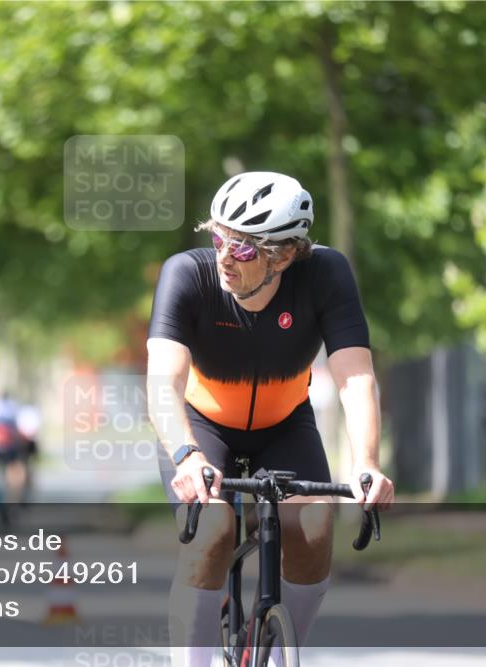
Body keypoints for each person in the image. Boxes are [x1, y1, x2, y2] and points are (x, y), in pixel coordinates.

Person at [147, 172, 395, 667]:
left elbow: (356, 380)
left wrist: (366, 461)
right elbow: (162, 383)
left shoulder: (326, 274)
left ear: (282, 255)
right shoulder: (187, 274)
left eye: (241, 249)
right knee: (213, 531)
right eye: (218, 238)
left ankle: (282, 655)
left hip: (285, 423)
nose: (222, 256)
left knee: (313, 527)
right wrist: (186, 454)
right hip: (202, 426)